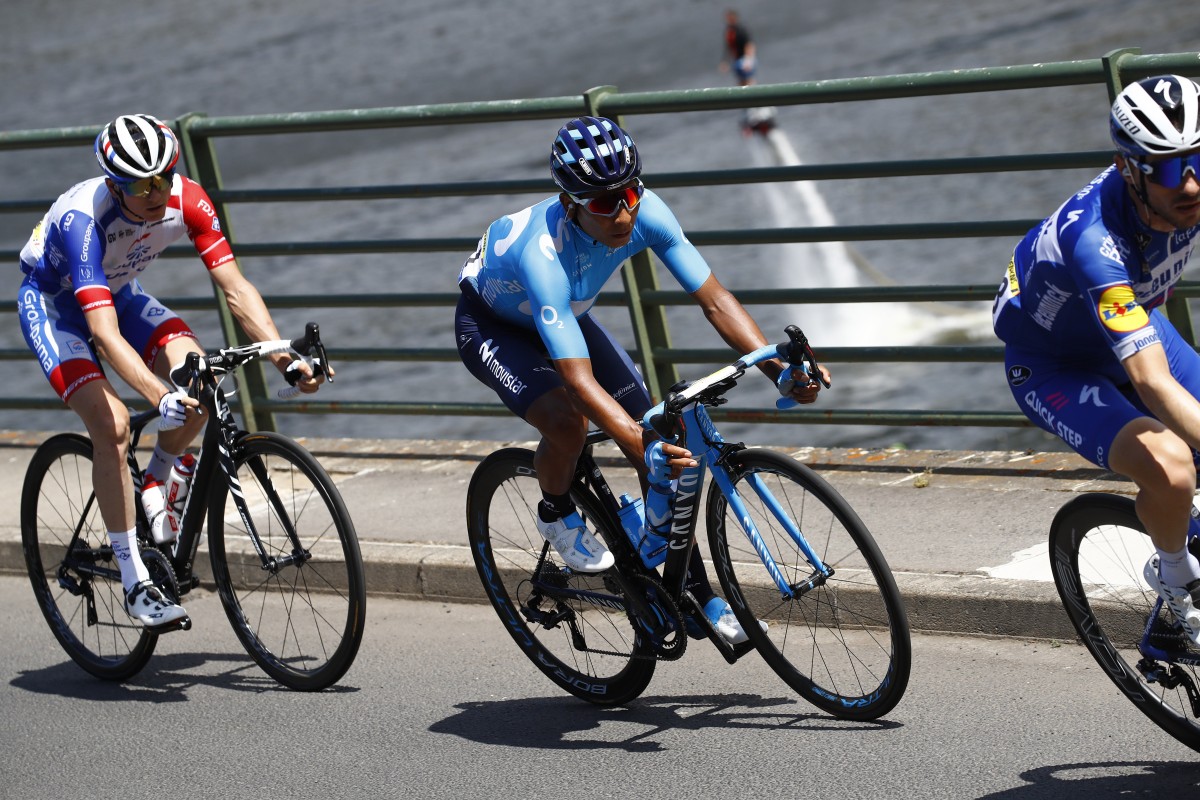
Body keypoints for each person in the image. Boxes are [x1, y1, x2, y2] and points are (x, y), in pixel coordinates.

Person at [455, 115, 830, 643]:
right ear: (571, 205)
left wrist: (778, 368)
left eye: (630, 191)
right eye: (605, 203)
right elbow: (580, 384)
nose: (624, 211)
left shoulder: (646, 211)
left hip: (567, 314)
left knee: (662, 441)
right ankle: (556, 511)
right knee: (567, 422)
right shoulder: (543, 258)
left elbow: (716, 301)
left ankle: (702, 597)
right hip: (492, 328)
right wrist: (637, 441)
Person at [17, 114, 327, 631]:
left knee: (201, 378)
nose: (157, 191)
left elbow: (236, 289)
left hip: (121, 295)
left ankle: (156, 481)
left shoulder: (187, 198)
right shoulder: (82, 223)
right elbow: (104, 335)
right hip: (58, 310)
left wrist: (283, 357)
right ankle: (134, 579)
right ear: (115, 186)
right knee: (113, 425)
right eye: (142, 184)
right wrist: (158, 395)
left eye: (164, 176)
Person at [993, 75, 1200, 643]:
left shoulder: (1186, 187)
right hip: (1055, 366)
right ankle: (1175, 586)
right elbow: (1152, 382)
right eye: (1164, 168)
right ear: (1129, 168)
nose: (1188, 184)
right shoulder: (1093, 243)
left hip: (1134, 322)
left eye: (1198, 161)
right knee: (1173, 468)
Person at [719, 9, 757, 87]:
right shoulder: (729, 31)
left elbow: (749, 44)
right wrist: (725, 61)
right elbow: (728, 47)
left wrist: (748, 60)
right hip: (736, 60)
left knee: (748, 80)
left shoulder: (741, 29)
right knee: (740, 81)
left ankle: (752, 97)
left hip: (745, 60)